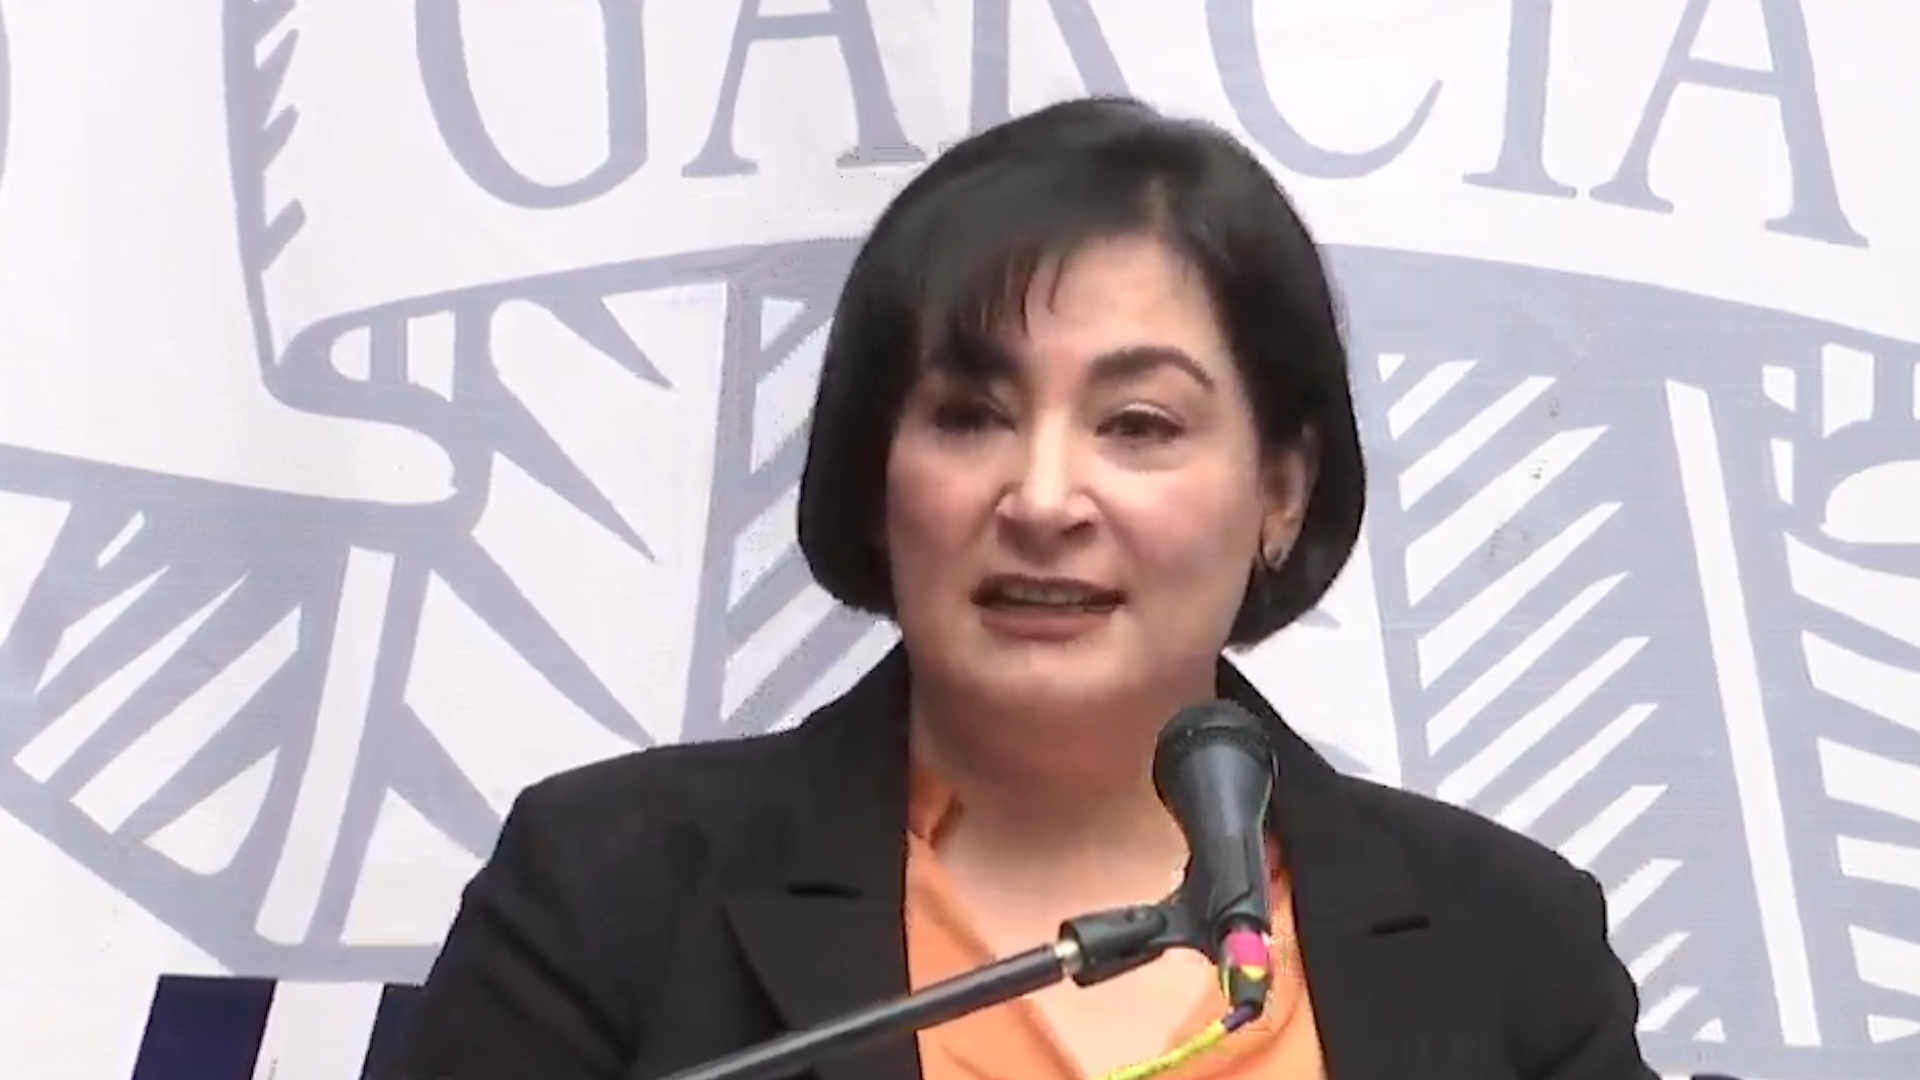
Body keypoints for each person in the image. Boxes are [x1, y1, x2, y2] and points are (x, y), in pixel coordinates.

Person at [387, 96, 1658, 1080]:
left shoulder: (1510, 945)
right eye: (969, 415)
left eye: (1139, 424)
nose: (1043, 500)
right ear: (878, 469)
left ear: (1281, 488)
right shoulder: (611, 892)